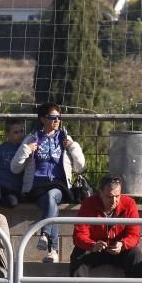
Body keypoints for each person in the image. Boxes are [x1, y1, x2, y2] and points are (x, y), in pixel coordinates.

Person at [11, 103, 86, 263]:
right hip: (36, 187)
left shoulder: (65, 138)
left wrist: (72, 147)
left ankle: (45, 234)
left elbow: (80, 168)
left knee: (51, 195)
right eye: (53, 117)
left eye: (59, 117)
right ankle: (53, 251)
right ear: (43, 119)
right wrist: (26, 150)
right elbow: (15, 168)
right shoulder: (32, 138)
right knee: (49, 202)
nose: (57, 120)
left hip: (59, 185)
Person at [69, 174, 142, 283]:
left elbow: (134, 235)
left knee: (136, 256)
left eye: (117, 196)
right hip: (95, 248)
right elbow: (79, 235)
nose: (114, 201)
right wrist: (92, 245)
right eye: (109, 196)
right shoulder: (88, 204)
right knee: (78, 255)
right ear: (100, 194)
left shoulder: (129, 204)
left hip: (120, 249)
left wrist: (123, 244)